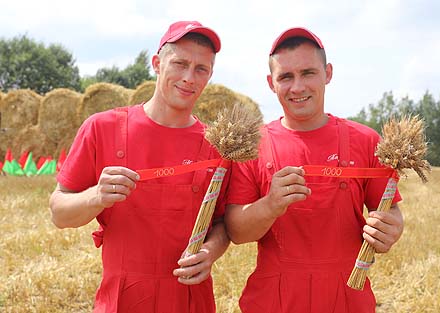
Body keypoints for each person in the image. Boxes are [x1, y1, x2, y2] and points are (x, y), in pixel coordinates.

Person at [49, 20, 230, 313]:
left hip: (190, 298)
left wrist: (210, 251)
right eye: (179, 63)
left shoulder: (217, 145)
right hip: (122, 296)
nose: (189, 77)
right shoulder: (102, 128)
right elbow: (59, 212)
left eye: (201, 69)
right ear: (157, 63)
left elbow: (222, 222)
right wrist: (96, 196)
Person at [225, 27, 404, 313]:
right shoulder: (253, 146)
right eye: (286, 77)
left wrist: (392, 229)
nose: (297, 87)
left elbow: (390, 210)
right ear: (271, 83)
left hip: (347, 296)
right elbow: (236, 231)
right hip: (274, 299)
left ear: (328, 73)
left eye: (308, 73)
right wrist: (270, 205)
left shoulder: (367, 141)